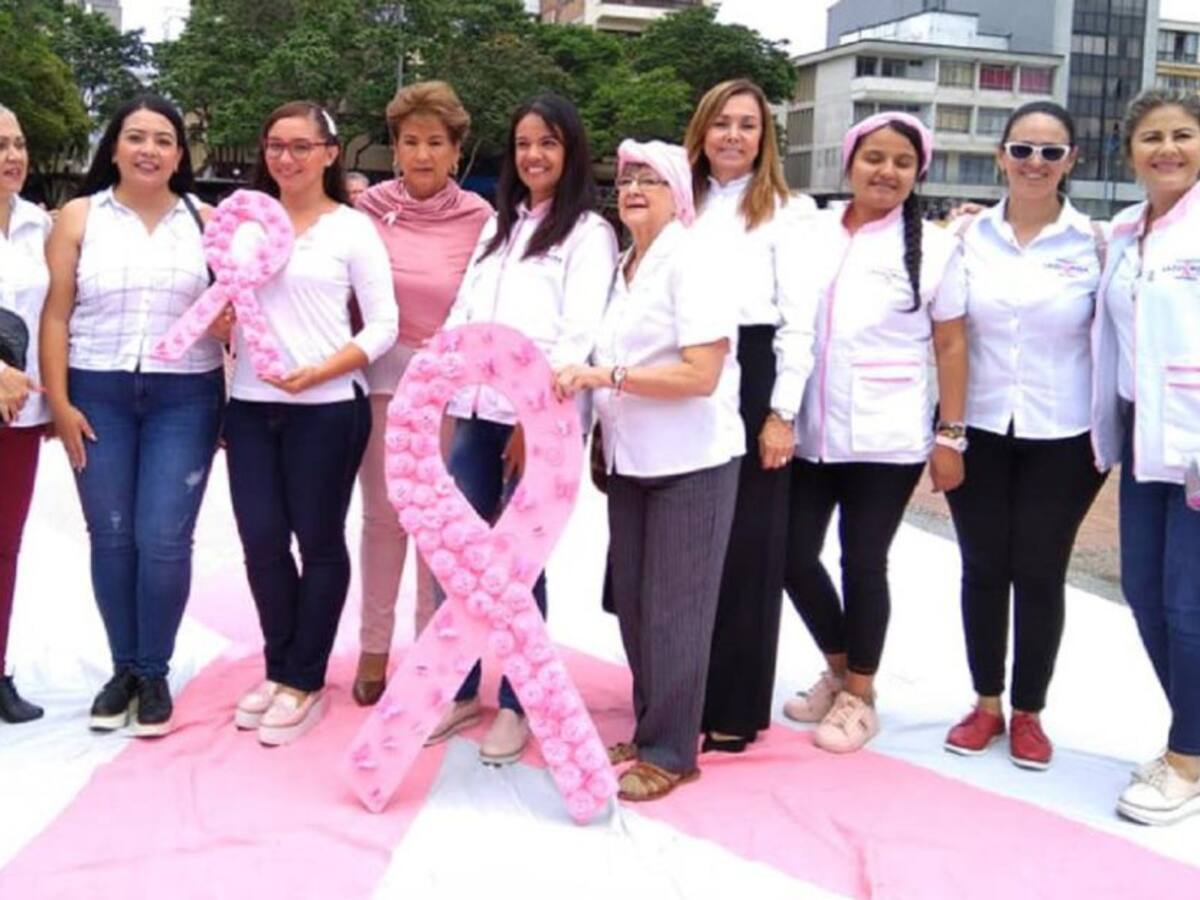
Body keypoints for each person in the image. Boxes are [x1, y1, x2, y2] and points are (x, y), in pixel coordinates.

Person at [429, 94, 617, 765]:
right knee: (459, 555)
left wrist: (533, 421)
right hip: (475, 415)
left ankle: (517, 702)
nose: (534, 155)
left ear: (571, 152)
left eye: (548, 143)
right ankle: (455, 689)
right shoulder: (499, 227)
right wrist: (443, 389)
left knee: (517, 565)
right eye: (524, 143)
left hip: (537, 425)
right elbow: (463, 313)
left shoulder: (588, 234)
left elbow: (576, 336)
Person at [555, 139, 741, 800]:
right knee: (634, 605)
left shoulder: (694, 260)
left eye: (651, 180)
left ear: (678, 194)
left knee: (675, 612)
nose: (633, 189)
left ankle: (672, 751)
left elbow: (701, 374)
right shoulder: (624, 265)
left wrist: (607, 377)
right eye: (627, 178)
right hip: (630, 461)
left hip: (692, 460)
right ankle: (651, 725)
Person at [782, 112, 967, 754]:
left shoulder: (937, 248)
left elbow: (951, 344)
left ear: (918, 174)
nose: (886, 171)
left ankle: (860, 696)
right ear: (849, 162)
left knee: (862, 561)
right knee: (790, 554)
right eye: (874, 158)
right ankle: (840, 670)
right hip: (810, 429)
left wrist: (951, 435)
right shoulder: (811, 230)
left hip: (887, 437)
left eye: (902, 163)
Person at [41, 95, 224, 737]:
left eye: (164, 139)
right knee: (112, 535)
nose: (150, 150)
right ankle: (122, 668)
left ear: (180, 154)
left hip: (187, 395)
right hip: (98, 392)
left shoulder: (207, 220)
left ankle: (153, 672)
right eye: (136, 137)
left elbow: (231, 310)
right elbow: (56, 314)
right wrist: (60, 403)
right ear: (114, 146)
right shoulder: (80, 216)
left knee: (164, 537)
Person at [940, 101, 1107, 770]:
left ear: (1071, 161)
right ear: (1001, 157)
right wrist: (945, 433)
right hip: (978, 426)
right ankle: (985, 703)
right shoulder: (965, 237)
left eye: (1051, 151)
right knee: (983, 567)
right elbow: (943, 331)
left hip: (1064, 434)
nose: (1035, 163)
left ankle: (1029, 712)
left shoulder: (1095, 243)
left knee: (1039, 570)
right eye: (1022, 149)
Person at [226, 102, 397, 746]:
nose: (287, 158)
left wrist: (324, 369)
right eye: (276, 145)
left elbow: (383, 325)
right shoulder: (245, 225)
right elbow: (227, 304)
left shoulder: (351, 230)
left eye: (302, 146)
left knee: (318, 540)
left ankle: (304, 678)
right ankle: (279, 667)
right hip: (250, 404)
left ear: (329, 153)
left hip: (327, 409)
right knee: (261, 539)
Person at [683, 79, 818, 754]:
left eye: (747, 124)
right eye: (721, 122)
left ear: (765, 138)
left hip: (755, 373)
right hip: (685, 374)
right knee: (685, 544)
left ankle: (734, 707)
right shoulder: (680, 202)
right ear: (701, 131)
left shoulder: (789, 213)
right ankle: (677, 695)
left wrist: (781, 412)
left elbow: (799, 323)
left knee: (748, 548)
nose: (732, 135)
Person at [351, 81, 492, 707]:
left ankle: (432, 659)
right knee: (383, 520)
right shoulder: (367, 209)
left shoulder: (482, 220)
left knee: (440, 527)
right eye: (410, 142)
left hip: (449, 390)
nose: (422, 154)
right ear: (395, 147)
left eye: (436, 142)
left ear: (457, 150)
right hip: (381, 382)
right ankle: (373, 650)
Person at [1092, 89, 1200, 825]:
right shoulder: (1127, 230)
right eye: (1152, 138)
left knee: (1189, 605)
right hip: (1141, 434)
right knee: (1144, 592)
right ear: (1130, 153)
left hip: (1195, 437)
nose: (1168, 149)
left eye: (1183, 135)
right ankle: (1191, 738)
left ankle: (1187, 759)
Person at [0, 104, 50, 724]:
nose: (12, 155)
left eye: (17, 143)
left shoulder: (40, 225)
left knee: (4, 547)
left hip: (22, 414)